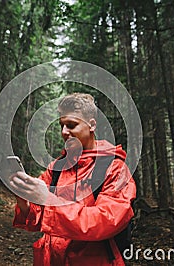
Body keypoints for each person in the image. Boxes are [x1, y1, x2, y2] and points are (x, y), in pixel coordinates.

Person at [9, 93, 136, 265]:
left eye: (71, 125)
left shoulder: (115, 168)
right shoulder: (56, 168)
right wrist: (25, 201)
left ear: (91, 125)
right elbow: (38, 215)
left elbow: (105, 222)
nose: (64, 132)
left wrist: (48, 199)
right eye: (62, 125)